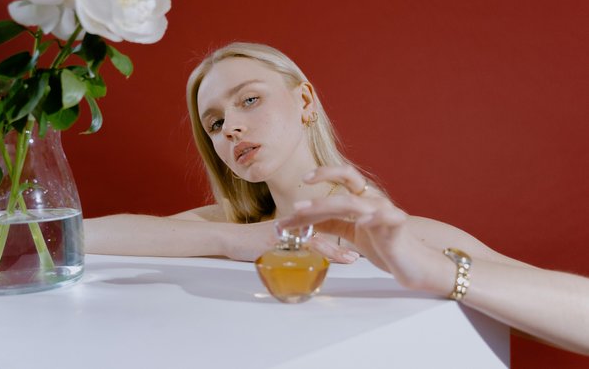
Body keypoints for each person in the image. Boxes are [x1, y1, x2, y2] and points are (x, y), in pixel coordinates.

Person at [85, 42, 589, 356]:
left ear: (304, 101)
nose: (230, 126)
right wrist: (234, 239)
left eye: (249, 100)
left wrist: (433, 270)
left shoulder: (393, 235)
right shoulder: (232, 226)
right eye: (214, 123)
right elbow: (74, 239)